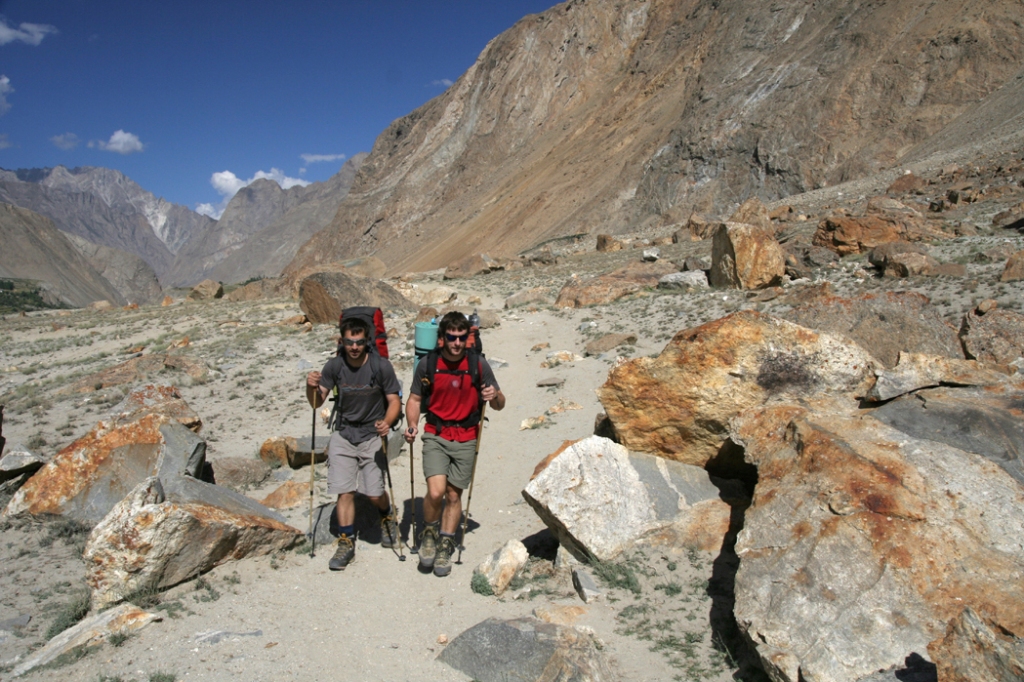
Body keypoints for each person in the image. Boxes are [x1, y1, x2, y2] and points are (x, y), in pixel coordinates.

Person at [404, 311, 505, 577]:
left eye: (461, 338)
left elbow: (499, 404)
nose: (457, 343)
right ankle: (429, 533)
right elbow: (414, 400)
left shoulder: (478, 365)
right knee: (436, 492)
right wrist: (412, 425)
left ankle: (445, 542)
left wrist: (493, 395)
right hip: (436, 434)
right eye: (452, 337)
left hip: (467, 436)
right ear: (442, 337)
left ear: (466, 338)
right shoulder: (428, 364)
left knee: (453, 495)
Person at [306, 316, 402, 571]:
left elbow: (394, 401)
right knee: (344, 490)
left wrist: (387, 422)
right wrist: (311, 387)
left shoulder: (381, 367)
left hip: (372, 435)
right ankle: (346, 541)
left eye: (359, 342)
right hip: (344, 434)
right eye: (349, 342)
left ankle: (386, 514)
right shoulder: (334, 367)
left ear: (367, 341)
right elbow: (317, 402)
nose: (354, 347)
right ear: (341, 341)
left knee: (373, 491)